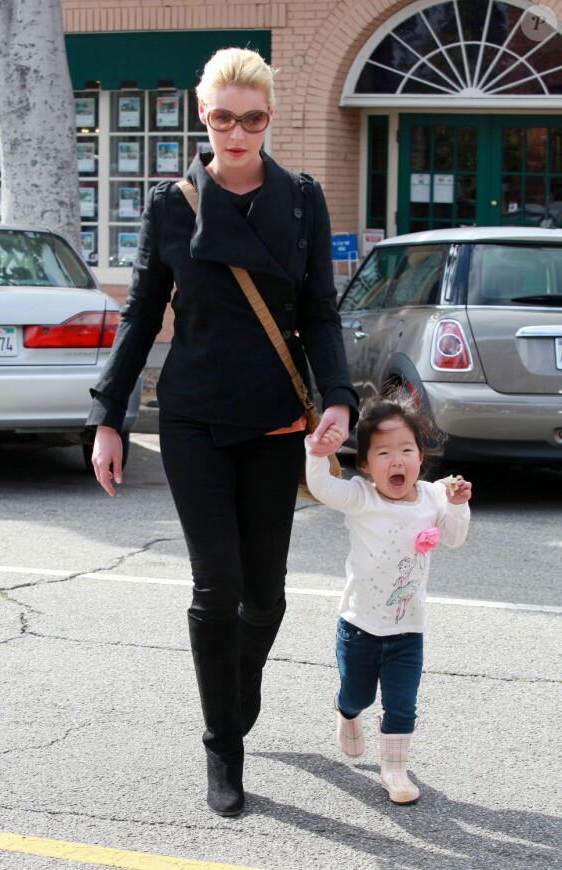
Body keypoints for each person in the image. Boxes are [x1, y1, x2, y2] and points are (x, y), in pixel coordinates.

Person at [87, 47, 358, 817]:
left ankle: (242, 689)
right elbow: (141, 314)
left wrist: (336, 397)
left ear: (269, 119)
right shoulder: (173, 204)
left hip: (275, 420)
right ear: (203, 118)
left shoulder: (302, 200)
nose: (237, 132)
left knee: (265, 600)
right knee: (218, 589)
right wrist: (110, 416)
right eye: (222, 117)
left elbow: (320, 314)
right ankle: (223, 747)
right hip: (195, 418)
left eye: (253, 118)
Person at [305, 390, 471, 804]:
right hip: (359, 627)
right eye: (383, 453)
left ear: (420, 457)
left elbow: (454, 538)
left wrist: (457, 505)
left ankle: (394, 771)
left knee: (402, 704)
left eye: (406, 449)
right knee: (357, 695)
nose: (397, 460)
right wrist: (317, 451)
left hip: (407, 631)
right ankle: (346, 713)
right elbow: (323, 486)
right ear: (364, 464)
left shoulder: (434, 496)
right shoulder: (362, 497)